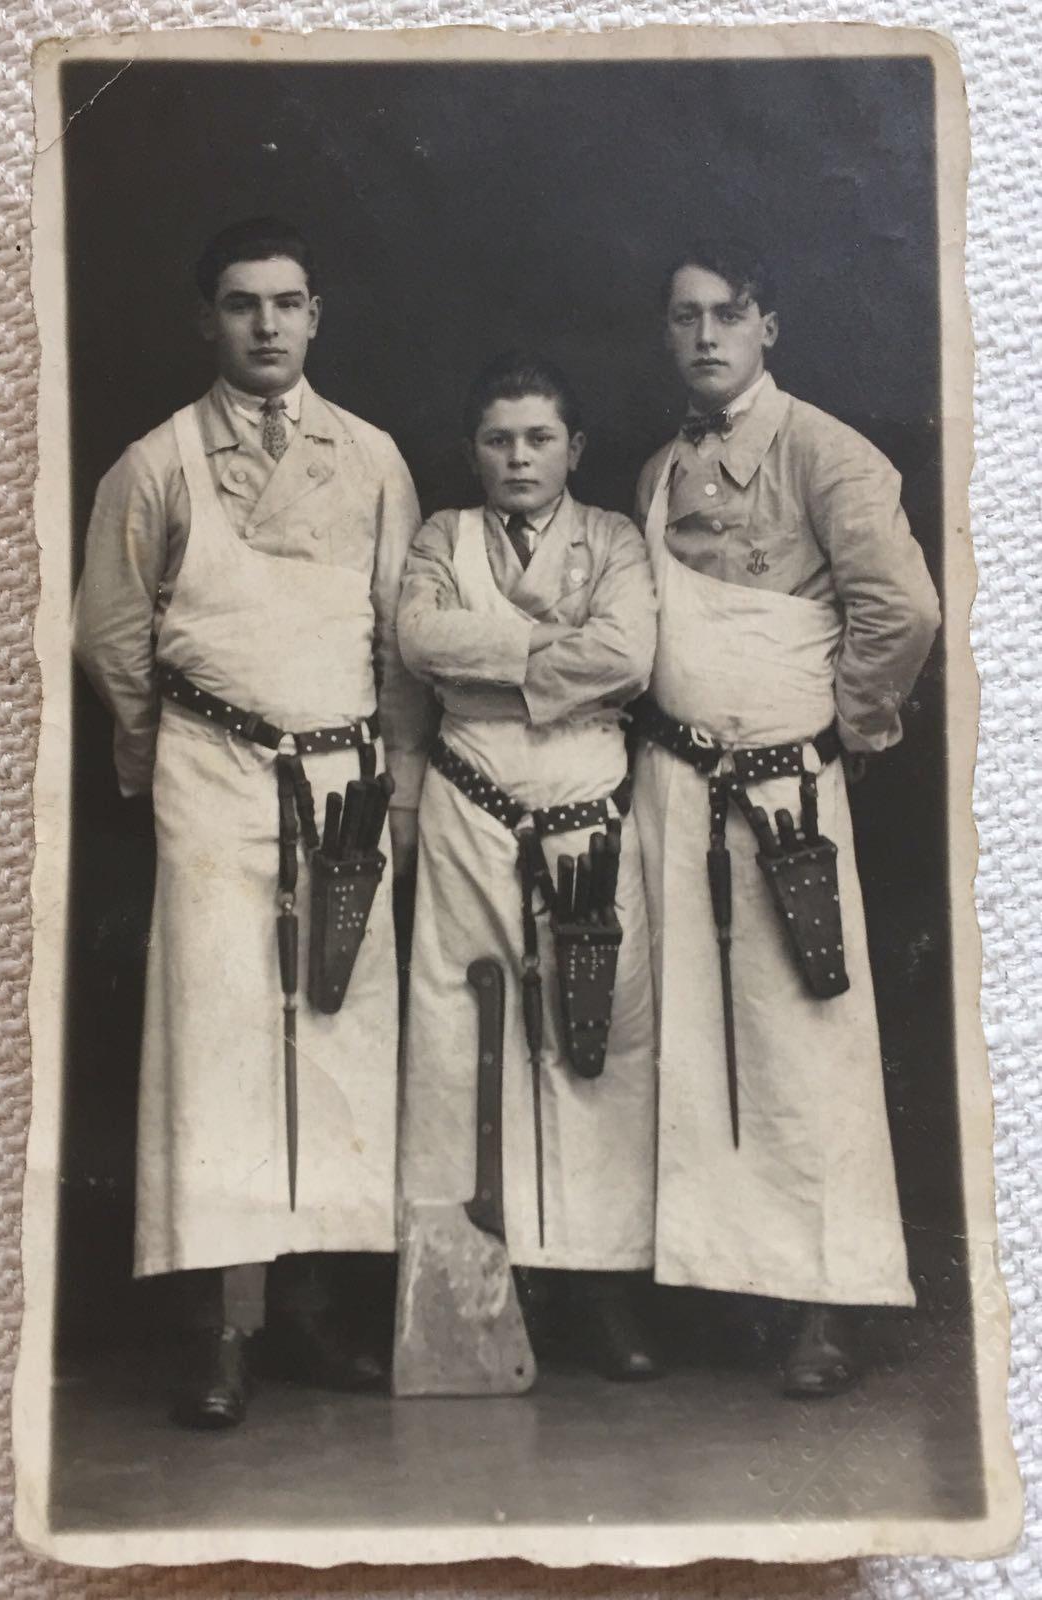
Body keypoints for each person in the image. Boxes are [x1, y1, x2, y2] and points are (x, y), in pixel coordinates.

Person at [73, 217, 434, 1428]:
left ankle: (316, 1313)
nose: (266, 325)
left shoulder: (375, 459)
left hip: (344, 789)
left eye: (286, 302)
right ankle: (218, 1329)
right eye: (241, 303)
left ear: (317, 314)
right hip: (215, 780)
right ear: (206, 320)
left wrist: (401, 787)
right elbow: (112, 641)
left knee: (337, 1042)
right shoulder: (158, 462)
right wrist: (160, 760)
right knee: (219, 1048)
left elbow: (397, 643)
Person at [632, 239, 941, 1396]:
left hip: (782, 796)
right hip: (671, 787)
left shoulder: (825, 452)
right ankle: (720, 1286)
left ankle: (827, 1305)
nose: (704, 337)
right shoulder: (658, 470)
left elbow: (898, 609)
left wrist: (848, 732)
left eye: (726, 313)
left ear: (768, 324)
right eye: (681, 316)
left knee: (806, 1041)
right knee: (692, 1041)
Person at [396, 353, 660, 1379]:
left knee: (594, 1036)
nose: (517, 456)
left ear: (573, 449)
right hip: (470, 804)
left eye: (537, 437)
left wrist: (491, 653)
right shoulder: (439, 536)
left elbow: (630, 657)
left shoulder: (614, 538)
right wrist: (555, 647)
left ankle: (599, 1292)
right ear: (473, 450)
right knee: (459, 1042)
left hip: (587, 810)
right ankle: (477, 1293)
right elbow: (418, 636)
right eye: (498, 439)